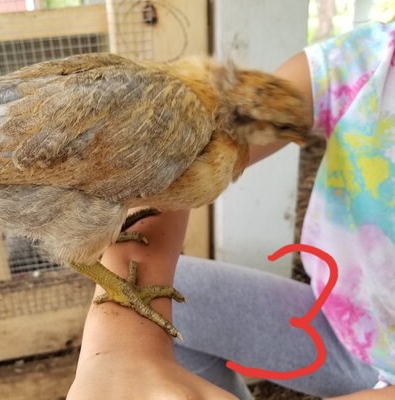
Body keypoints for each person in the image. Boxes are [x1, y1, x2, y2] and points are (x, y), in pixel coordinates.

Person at [68, 20, 395, 400]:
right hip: (342, 322)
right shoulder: (366, 61)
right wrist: (120, 345)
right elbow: (185, 154)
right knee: (173, 293)